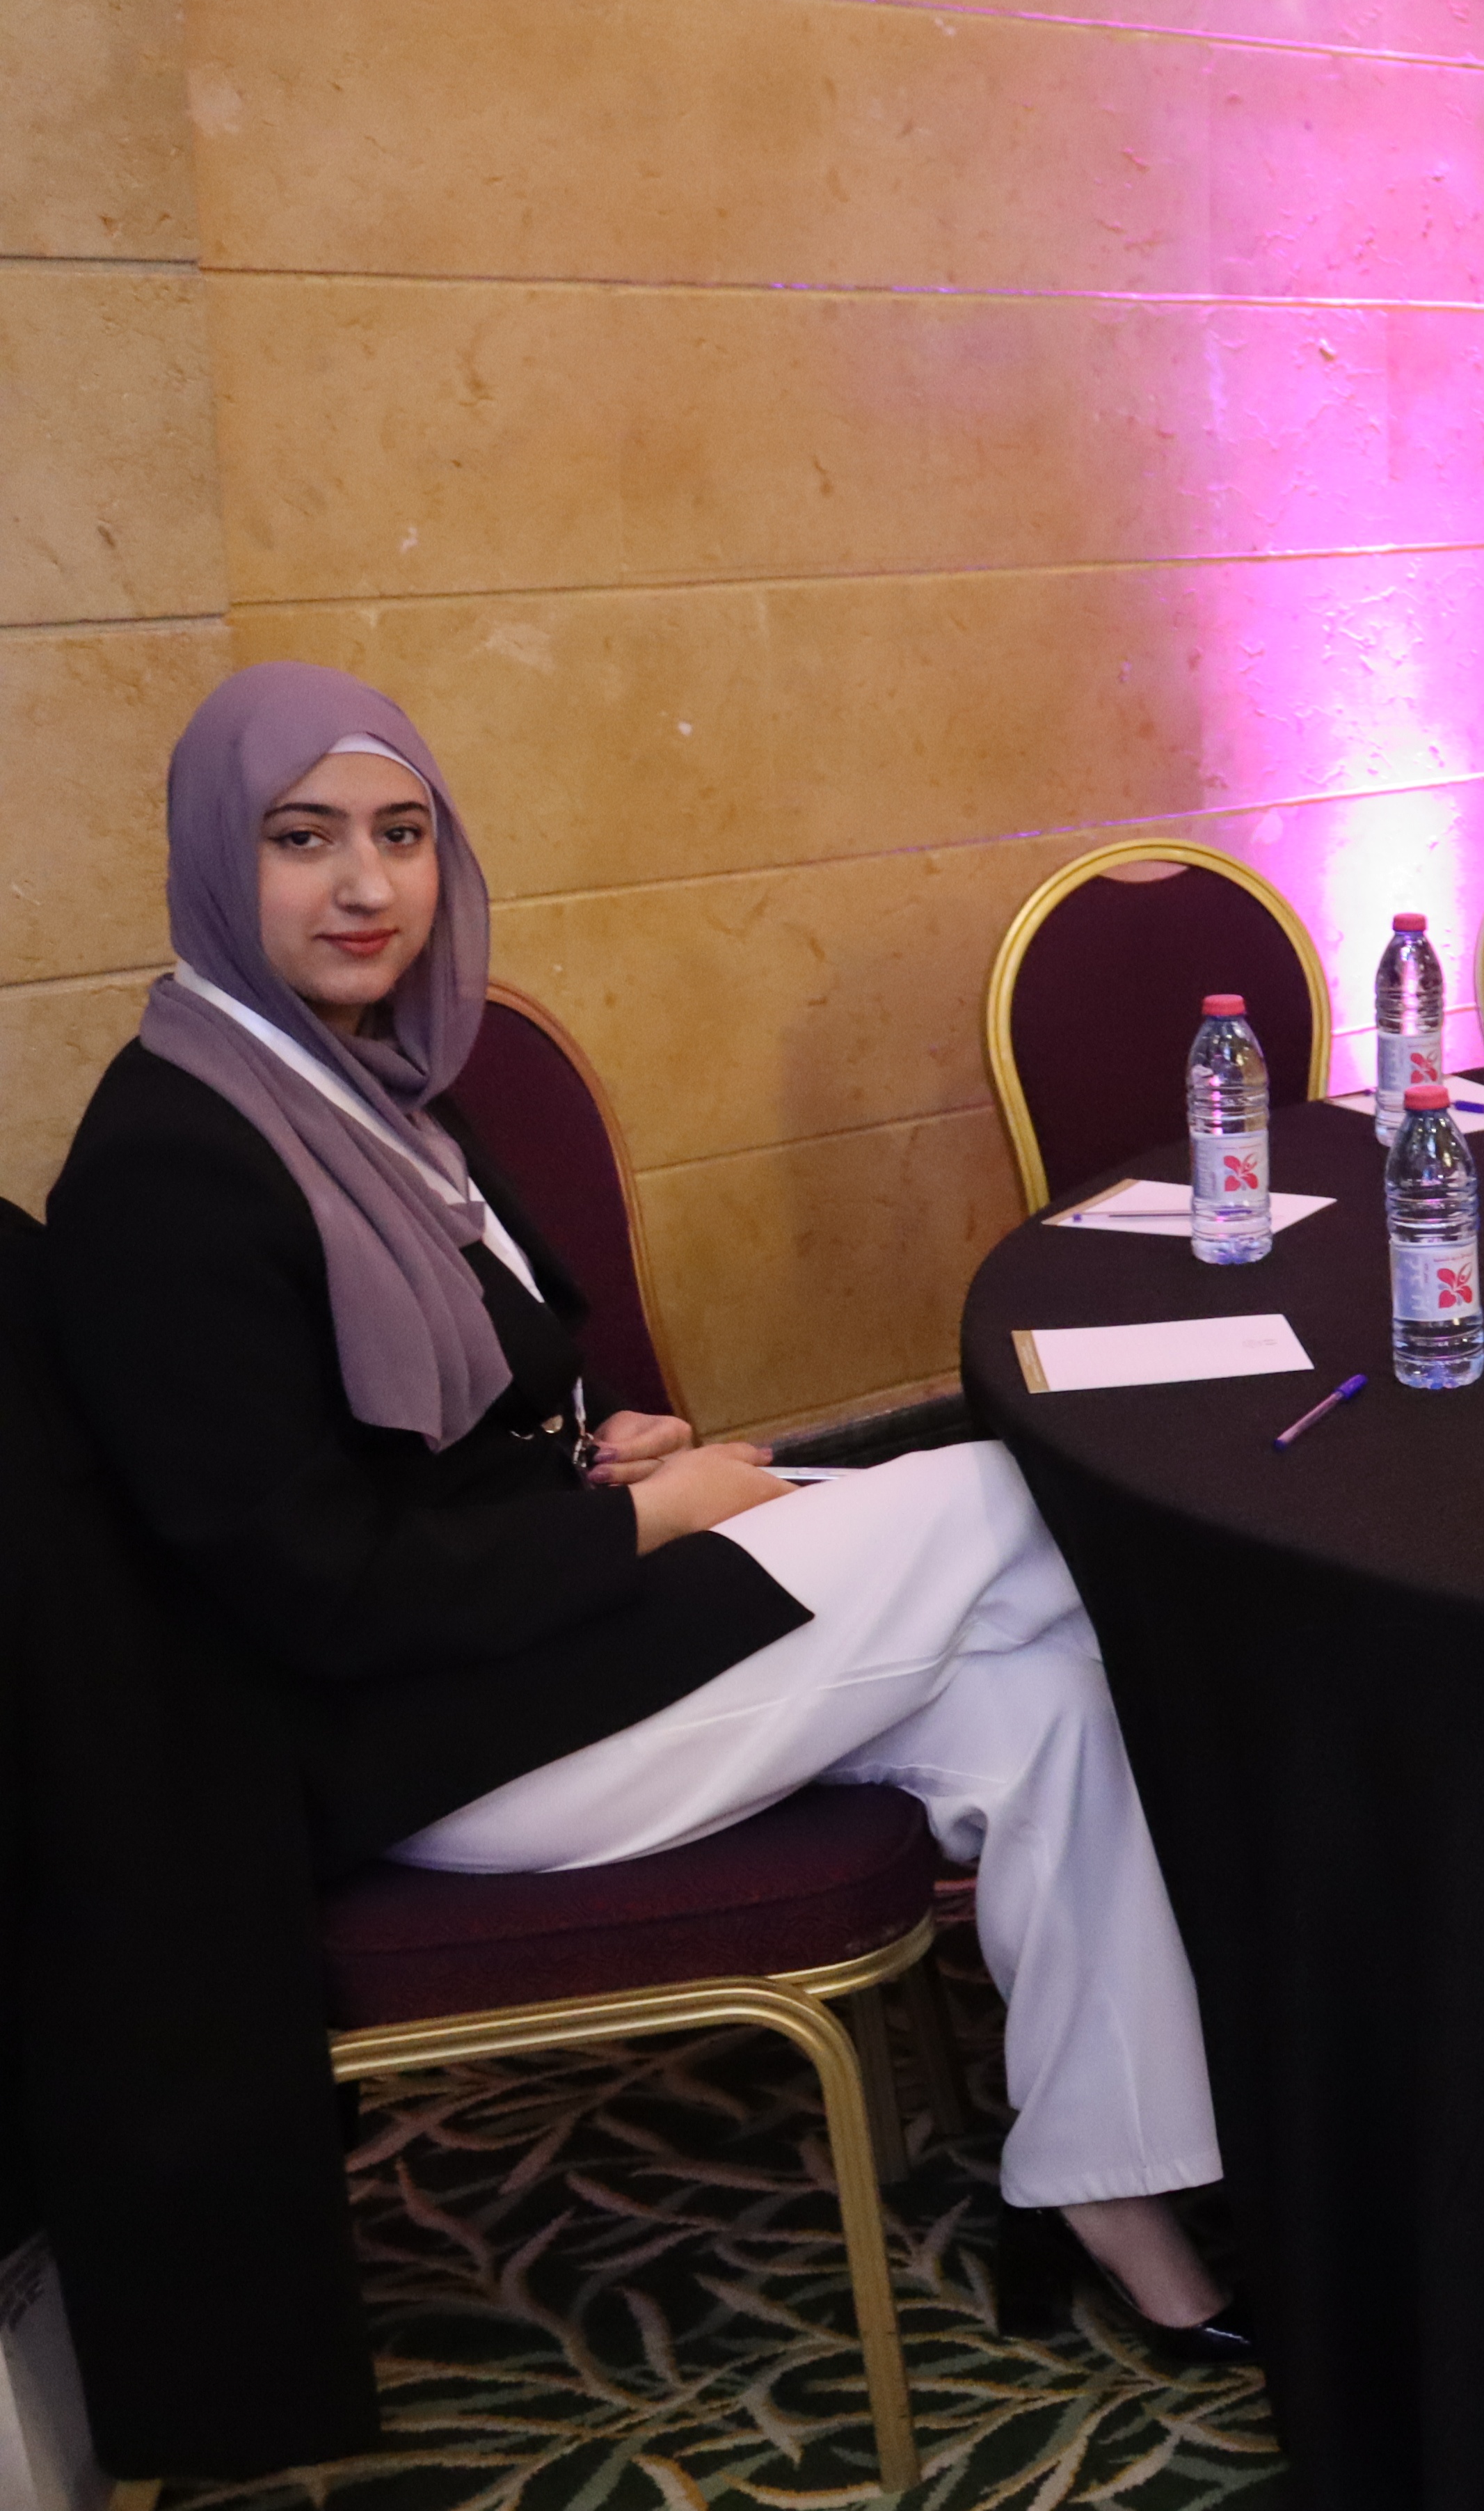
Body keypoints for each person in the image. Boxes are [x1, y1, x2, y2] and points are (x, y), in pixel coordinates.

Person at [41, 664, 1248, 2365]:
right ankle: (1352, 1957)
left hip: (532, 1647)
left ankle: (1112, 2194)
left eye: (402, 833)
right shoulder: (173, 1162)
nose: (367, 884)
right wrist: (641, 1523)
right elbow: (315, 1587)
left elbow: (451, 1421)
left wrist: (600, 1455)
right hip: (436, 1744)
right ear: (210, 859)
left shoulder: (369, 1089)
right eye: (301, 838)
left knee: (1044, 1697)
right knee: (1011, 1491)